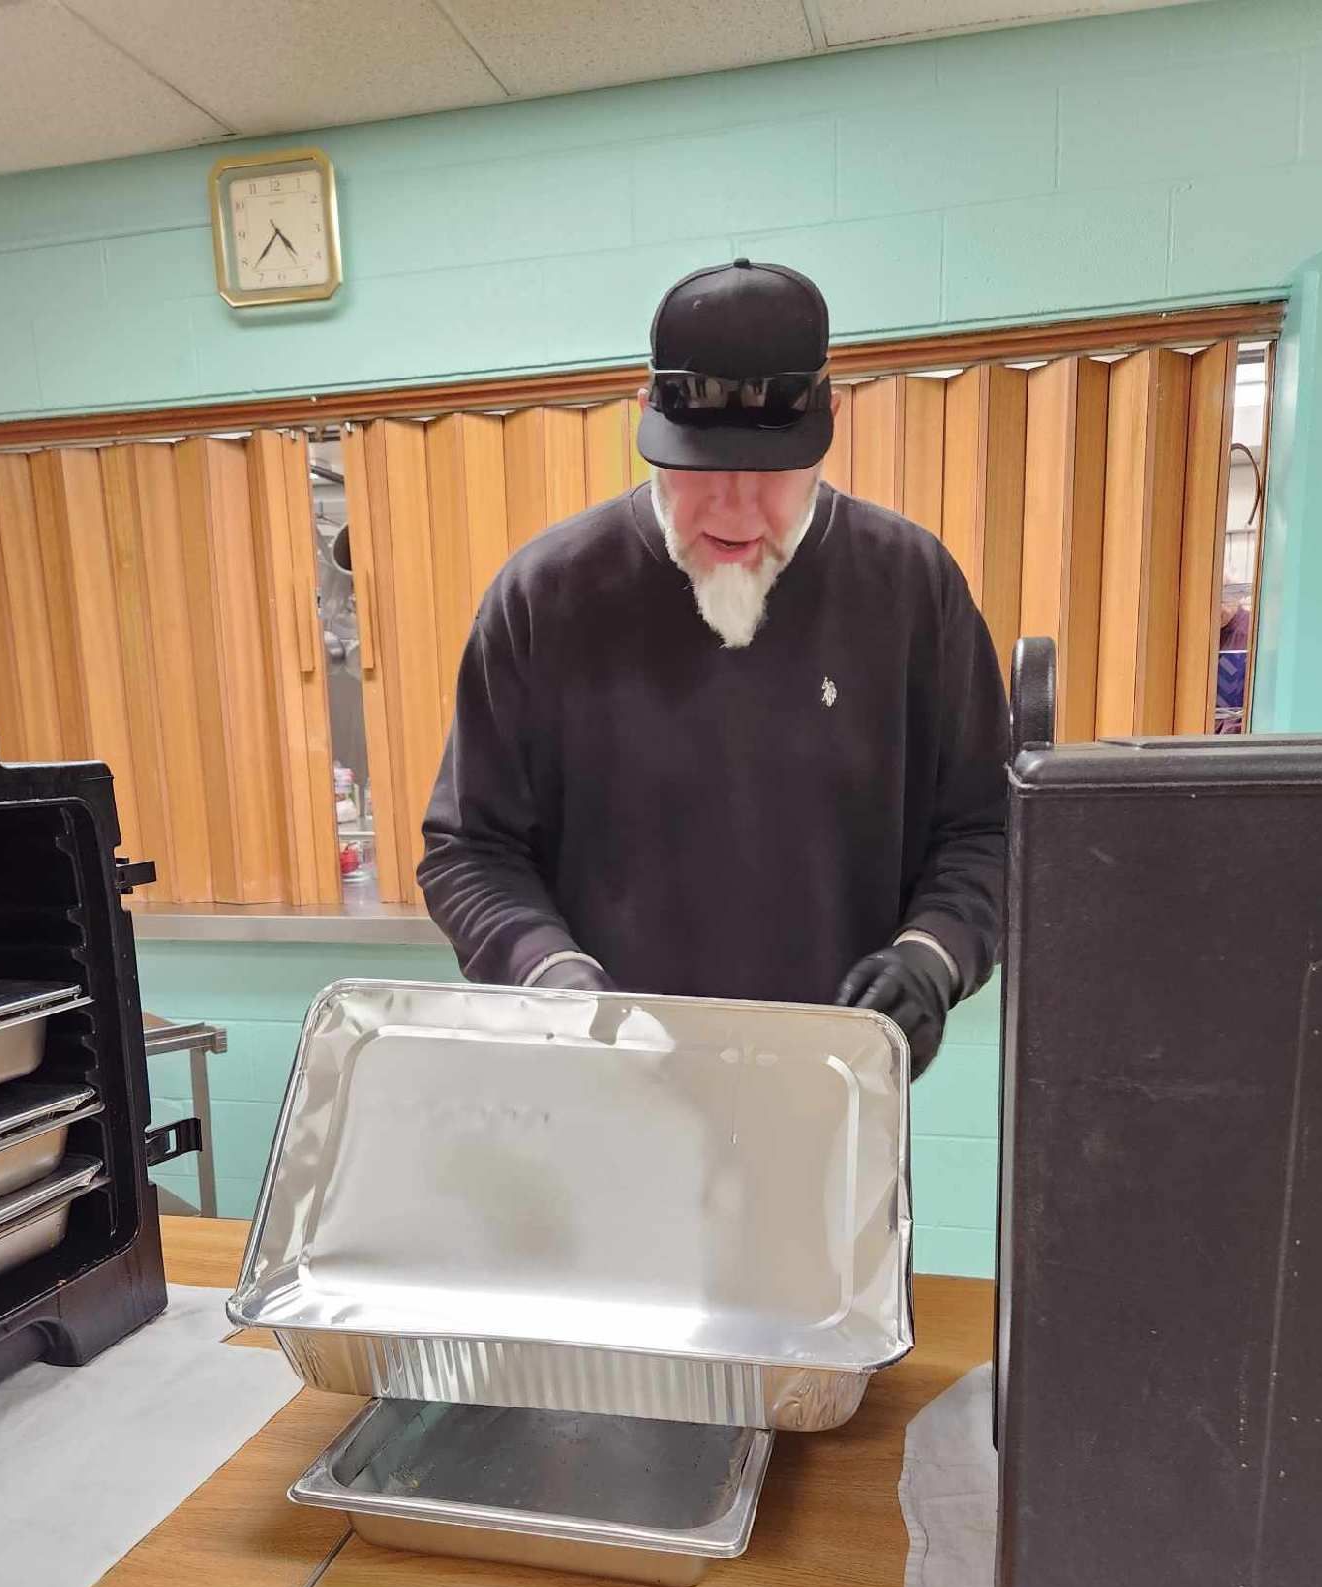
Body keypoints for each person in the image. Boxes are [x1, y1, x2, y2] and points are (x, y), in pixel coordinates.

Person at [419, 259, 1008, 1078]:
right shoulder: (547, 596)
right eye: (698, 465)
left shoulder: (910, 589)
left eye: (771, 470)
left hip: (834, 1100)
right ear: (645, 418)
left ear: (830, 421)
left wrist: (931, 957)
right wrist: (549, 975)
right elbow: (470, 850)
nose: (733, 510)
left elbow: (983, 831)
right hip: (608, 1096)